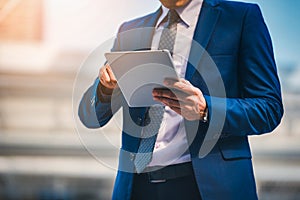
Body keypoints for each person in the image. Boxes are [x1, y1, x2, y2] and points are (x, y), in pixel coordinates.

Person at [78, 0, 284, 199]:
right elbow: (90, 116)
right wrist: (105, 89)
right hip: (137, 187)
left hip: (209, 186)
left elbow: (269, 108)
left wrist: (206, 109)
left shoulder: (241, 18)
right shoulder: (130, 31)